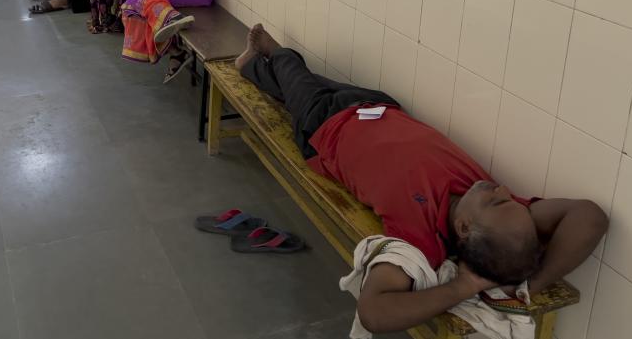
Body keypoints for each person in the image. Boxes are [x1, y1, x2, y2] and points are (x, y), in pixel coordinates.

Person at [233, 24, 609, 335]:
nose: (503, 189)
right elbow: (590, 216)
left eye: (497, 200)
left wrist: (464, 286)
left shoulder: (420, 236)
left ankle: (272, 52)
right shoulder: (501, 218)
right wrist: (533, 285)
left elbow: (374, 313)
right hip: (377, 106)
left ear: (463, 228)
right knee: (301, 84)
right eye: (508, 198)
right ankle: (253, 67)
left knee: (295, 74)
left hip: (324, 128)